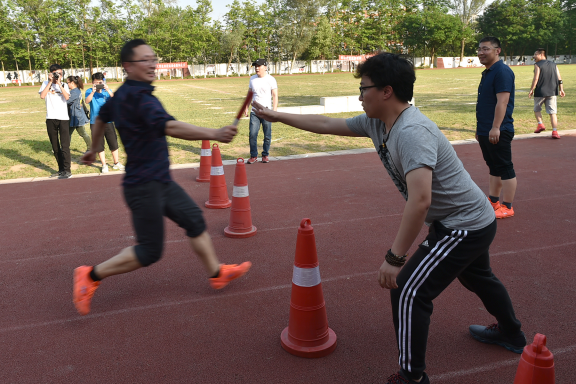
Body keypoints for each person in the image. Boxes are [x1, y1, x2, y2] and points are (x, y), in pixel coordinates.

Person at [252, 52, 525, 384]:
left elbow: (420, 200)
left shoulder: (412, 131)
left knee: (408, 290)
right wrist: (277, 116)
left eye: (364, 88)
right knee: (477, 277)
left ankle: (412, 377)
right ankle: (511, 333)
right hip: (465, 219)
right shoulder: (376, 123)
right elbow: (326, 124)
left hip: (463, 224)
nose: (359, 96)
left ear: (386, 91)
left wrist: (395, 258)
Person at [74, 39, 251, 316]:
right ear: (128, 66)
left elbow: (101, 119)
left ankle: (217, 273)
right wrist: (214, 133)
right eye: (145, 60)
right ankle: (90, 275)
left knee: (193, 219)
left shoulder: (119, 95)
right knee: (149, 251)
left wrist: (95, 148)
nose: (152, 64)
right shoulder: (140, 98)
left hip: (159, 181)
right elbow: (169, 126)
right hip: (143, 186)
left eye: (153, 58)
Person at [476, 36, 517, 219]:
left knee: (505, 167)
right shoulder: (488, 72)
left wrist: (495, 127)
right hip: (486, 129)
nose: (481, 53)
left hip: (499, 129)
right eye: (479, 49)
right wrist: (481, 129)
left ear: (497, 50)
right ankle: (493, 201)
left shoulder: (502, 71)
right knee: (493, 166)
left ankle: (507, 206)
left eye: (485, 49)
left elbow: (503, 102)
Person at [85, 72, 124, 173]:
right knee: (99, 144)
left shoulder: (107, 91)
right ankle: (104, 165)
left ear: (103, 81)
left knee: (113, 143)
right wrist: (93, 92)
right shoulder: (89, 91)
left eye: (100, 82)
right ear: (92, 83)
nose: (98, 84)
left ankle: (116, 163)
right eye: (96, 82)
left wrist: (107, 89)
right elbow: (87, 101)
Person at [39, 64, 72, 179]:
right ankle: (61, 169)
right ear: (51, 73)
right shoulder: (45, 84)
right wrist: (50, 82)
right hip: (50, 118)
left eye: (61, 74)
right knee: (55, 146)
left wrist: (59, 84)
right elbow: (42, 96)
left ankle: (68, 171)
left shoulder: (64, 85)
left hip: (63, 118)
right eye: (56, 74)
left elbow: (67, 97)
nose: (59, 76)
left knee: (65, 146)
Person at [244, 58, 278, 164]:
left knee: (267, 135)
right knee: (253, 134)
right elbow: (250, 94)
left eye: (259, 66)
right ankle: (253, 155)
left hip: (267, 111)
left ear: (265, 67)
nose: (257, 68)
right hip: (255, 111)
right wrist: (246, 107)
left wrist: (274, 111)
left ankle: (265, 155)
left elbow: (275, 95)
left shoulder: (271, 79)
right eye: (255, 66)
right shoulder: (252, 79)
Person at [528, 48, 566, 139]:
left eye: (535, 54)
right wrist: (561, 89)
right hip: (552, 91)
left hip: (540, 91)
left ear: (541, 54)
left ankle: (540, 124)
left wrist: (532, 89)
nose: (534, 56)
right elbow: (559, 77)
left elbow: (536, 78)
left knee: (537, 109)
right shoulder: (554, 64)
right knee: (552, 112)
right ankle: (555, 131)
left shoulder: (537, 65)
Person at [66, 76, 92, 152]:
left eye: (68, 82)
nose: (67, 84)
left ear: (72, 83)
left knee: (82, 133)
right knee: (68, 133)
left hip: (77, 116)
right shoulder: (76, 90)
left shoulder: (74, 92)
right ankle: (65, 148)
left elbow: (66, 101)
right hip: (74, 116)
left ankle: (90, 149)